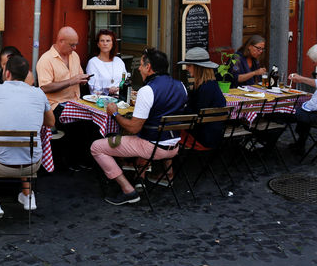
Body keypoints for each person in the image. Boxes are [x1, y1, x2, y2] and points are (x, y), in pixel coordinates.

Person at [90, 48, 188, 206]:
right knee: (141, 135)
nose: (139, 68)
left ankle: (128, 190)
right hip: (174, 145)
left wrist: (115, 114)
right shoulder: (181, 86)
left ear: (149, 67)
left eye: (141, 65)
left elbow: (133, 128)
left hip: (152, 147)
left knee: (96, 147)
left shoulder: (147, 90)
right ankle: (137, 175)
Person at [0, 55, 54, 222]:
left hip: (0, 163)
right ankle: (27, 195)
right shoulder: (38, 93)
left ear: (7, 73)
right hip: (33, 164)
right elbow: (51, 122)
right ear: (27, 75)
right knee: (24, 145)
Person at [36, 26, 94, 170]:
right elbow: (45, 87)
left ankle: (86, 159)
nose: (74, 48)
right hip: (55, 105)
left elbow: (78, 76)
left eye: (76, 44)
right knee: (77, 122)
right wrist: (72, 81)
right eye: (72, 45)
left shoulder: (74, 56)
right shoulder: (46, 59)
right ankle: (72, 162)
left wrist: (83, 79)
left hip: (75, 101)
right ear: (60, 41)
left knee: (93, 119)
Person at [177, 47, 226, 150]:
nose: (186, 68)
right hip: (213, 135)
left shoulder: (204, 88)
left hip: (204, 139)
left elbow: (193, 115)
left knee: (166, 132)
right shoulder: (211, 84)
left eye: (189, 66)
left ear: (198, 67)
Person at [85, 29, 127, 96]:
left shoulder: (119, 61)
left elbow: (125, 80)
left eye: (108, 41)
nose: (105, 43)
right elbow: (94, 87)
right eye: (102, 41)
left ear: (112, 43)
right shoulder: (93, 62)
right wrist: (108, 89)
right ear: (98, 44)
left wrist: (118, 89)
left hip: (120, 98)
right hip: (100, 100)